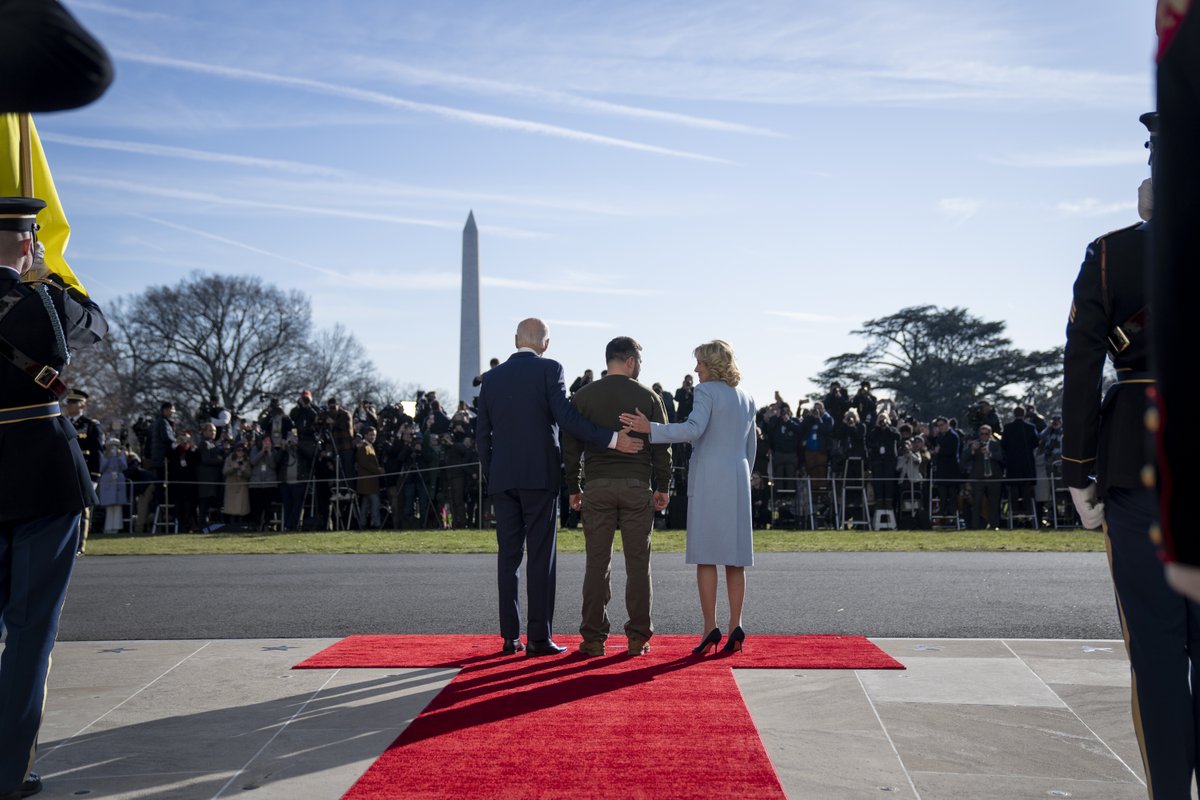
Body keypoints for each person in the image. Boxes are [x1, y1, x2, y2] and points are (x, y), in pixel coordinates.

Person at [1062, 118, 1200, 798]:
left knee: (1156, 652)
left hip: (1137, 457)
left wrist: (1078, 471)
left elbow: (1084, 365)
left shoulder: (1113, 254)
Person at [0, 196, 108, 800]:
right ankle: (6, 770)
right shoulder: (46, 299)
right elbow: (97, 325)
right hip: (42, 476)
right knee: (30, 632)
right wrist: (49, 276)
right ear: (26, 242)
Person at [475, 318, 643, 656]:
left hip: (503, 479)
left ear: (515, 340)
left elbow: (482, 437)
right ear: (545, 345)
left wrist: (494, 474)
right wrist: (612, 439)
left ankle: (510, 637)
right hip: (540, 477)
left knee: (508, 558)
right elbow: (567, 419)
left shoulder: (491, 379)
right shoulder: (550, 370)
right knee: (540, 558)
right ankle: (538, 638)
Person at [621, 339, 756, 656]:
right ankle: (736, 624)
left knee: (706, 555)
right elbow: (752, 449)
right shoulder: (748, 397)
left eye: (700, 363)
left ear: (712, 365)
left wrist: (650, 428)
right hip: (738, 477)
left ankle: (710, 628)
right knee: (736, 559)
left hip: (711, 477)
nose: (696, 369)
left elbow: (693, 429)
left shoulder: (706, 392)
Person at [562, 336, 671, 657]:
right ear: (631, 361)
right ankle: (638, 638)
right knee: (639, 565)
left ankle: (593, 639)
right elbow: (662, 445)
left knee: (597, 564)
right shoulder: (649, 396)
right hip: (637, 486)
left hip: (597, 485)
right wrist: (663, 485)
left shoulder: (583, 396)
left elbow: (570, 447)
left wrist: (573, 487)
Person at [62, 388, 101, 553]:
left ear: (82, 405)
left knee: (84, 510)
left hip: (83, 471)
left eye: (74, 402)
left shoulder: (91, 425)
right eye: (69, 402)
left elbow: (97, 452)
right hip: (65, 472)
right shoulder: (62, 422)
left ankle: (80, 545)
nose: (70, 405)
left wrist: (94, 477)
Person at [965, 424, 1004, 530]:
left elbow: (1002, 458)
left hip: (994, 478)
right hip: (979, 478)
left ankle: (994, 525)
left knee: (994, 503)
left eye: (986, 434)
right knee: (976, 503)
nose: (984, 436)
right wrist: (972, 450)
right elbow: (964, 460)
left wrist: (990, 454)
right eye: (982, 434)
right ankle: (975, 526)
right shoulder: (974, 445)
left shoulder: (996, 445)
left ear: (990, 434)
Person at [98, 439, 128, 533]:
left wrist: (119, 456)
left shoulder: (121, 454)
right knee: (109, 506)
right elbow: (101, 468)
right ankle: (108, 527)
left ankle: (116, 527)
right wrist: (108, 457)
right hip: (108, 480)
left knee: (118, 506)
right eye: (111, 445)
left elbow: (124, 467)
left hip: (118, 479)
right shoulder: (104, 455)